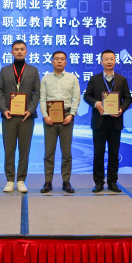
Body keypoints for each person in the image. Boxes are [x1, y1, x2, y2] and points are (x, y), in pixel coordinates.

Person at [83, 49, 132, 193]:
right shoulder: (94, 79)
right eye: (106, 59)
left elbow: (128, 98)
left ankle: (112, 182)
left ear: (115, 61)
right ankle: (98, 182)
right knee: (98, 154)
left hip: (115, 122)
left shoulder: (122, 79)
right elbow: (87, 96)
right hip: (99, 122)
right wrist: (96, 103)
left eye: (111, 59)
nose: (109, 61)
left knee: (114, 154)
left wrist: (121, 109)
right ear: (101, 61)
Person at [0, 40, 40, 193]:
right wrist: (4, 110)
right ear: (12, 52)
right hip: (9, 116)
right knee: (9, 150)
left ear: (26, 52)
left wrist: (30, 110)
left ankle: (21, 179)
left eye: (22, 49)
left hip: (26, 116)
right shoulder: (5, 70)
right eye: (16, 49)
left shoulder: (33, 70)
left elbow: (37, 92)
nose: (19, 51)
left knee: (24, 150)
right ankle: (9, 180)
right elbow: (0, 91)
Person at [38, 51, 81, 193]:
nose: (59, 61)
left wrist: (72, 115)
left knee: (66, 153)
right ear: (52, 61)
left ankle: (66, 182)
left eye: (62, 59)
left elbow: (76, 98)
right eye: (56, 59)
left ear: (66, 62)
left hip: (66, 117)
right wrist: (45, 115)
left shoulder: (72, 78)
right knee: (49, 153)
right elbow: (42, 98)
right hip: (50, 118)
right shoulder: (45, 78)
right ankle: (48, 182)